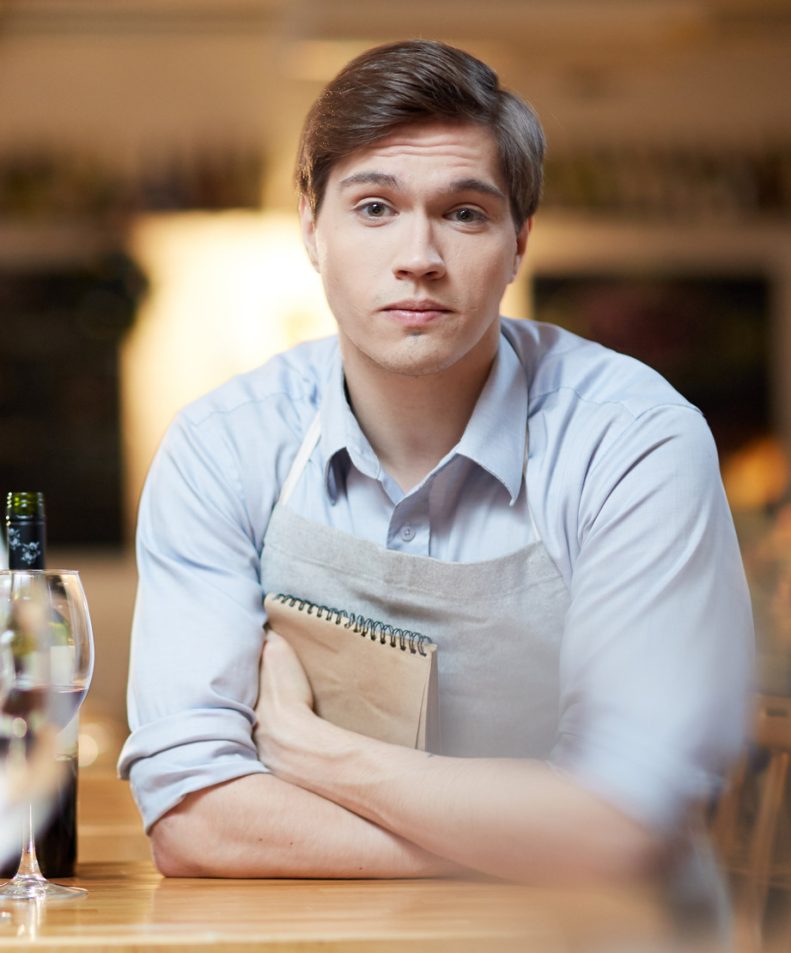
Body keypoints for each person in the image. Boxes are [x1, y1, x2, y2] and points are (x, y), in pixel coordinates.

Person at [118, 40, 753, 886]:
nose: (418, 256)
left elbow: (627, 825)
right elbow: (195, 819)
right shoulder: (224, 446)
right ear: (311, 225)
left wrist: (319, 754)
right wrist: (534, 841)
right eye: (374, 207)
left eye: (463, 213)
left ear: (519, 239)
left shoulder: (630, 442)